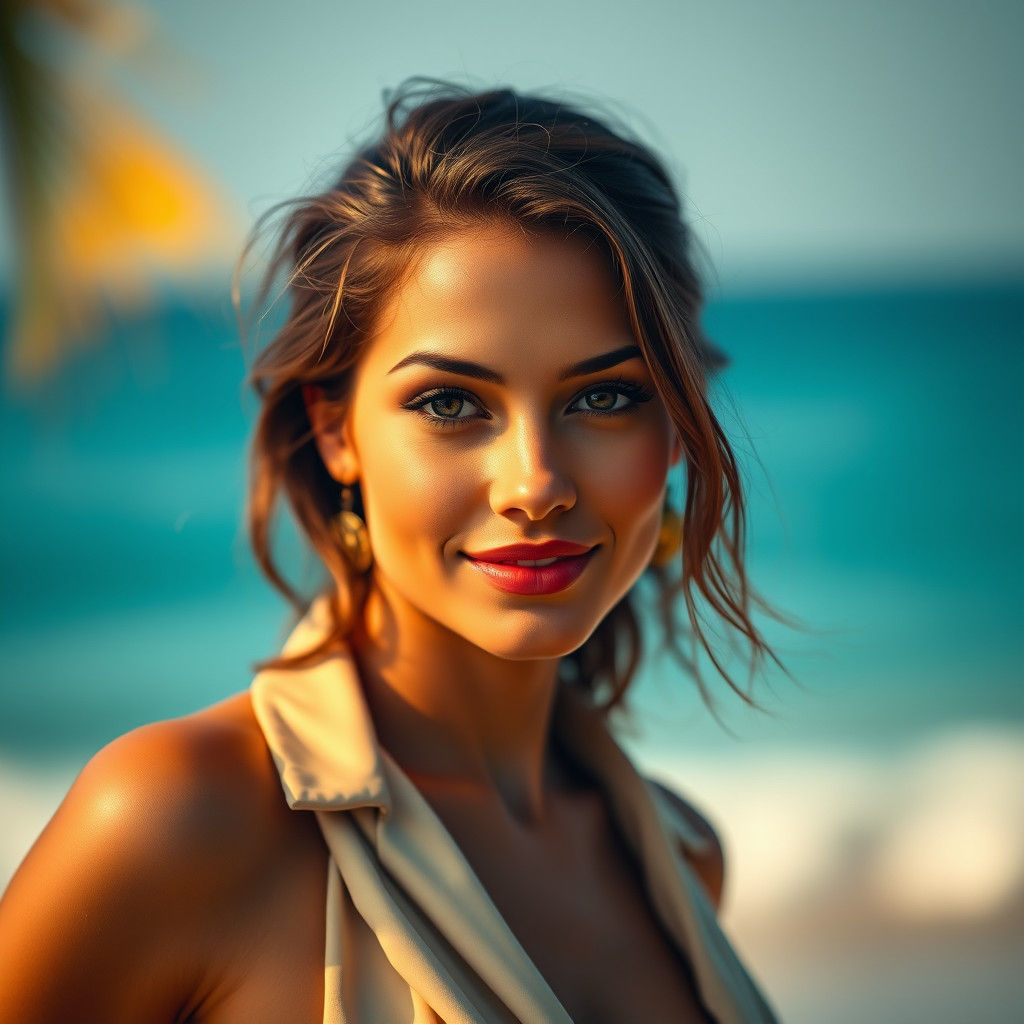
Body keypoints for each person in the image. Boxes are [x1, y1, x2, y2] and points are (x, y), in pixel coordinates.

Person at [0, 80, 784, 1023]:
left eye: (606, 396)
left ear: (678, 425)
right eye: (452, 403)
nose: (535, 483)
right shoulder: (179, 822)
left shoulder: (682, 854)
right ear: (335, 431)